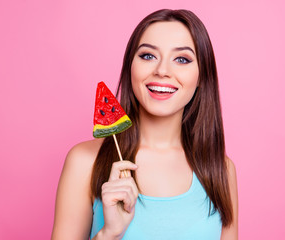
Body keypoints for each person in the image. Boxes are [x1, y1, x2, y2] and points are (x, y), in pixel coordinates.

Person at [51, 9, 238, 240]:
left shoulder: (221, 169)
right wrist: (109, 234)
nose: (162, 71)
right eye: (148, 56)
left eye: (182, 59)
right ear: (130, 66)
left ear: (202, 77)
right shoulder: (84, 162)